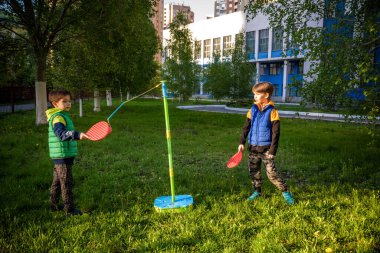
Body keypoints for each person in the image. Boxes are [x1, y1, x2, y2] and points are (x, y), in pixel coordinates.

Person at [238, 82, 294, 205]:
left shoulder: (272, 111)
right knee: (254, 172)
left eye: (257, 94)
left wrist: (273, 151)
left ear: (266, 95)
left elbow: (276, 133)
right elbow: (246, 127)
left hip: (266, 149)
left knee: (272, 173)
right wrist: (242, 142)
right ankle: (257, 192)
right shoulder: (252, 109)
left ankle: (286, 192)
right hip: (253, 147)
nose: (255, 97)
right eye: (254, 94)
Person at [45, 89, 88, 215]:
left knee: (57, 182)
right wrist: (77, 134)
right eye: (65, 101)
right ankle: (69, 210)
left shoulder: (61, 115)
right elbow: (61, 134)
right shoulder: (58, 117)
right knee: (66, 183)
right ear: (55, 104)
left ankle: (53, 205)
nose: (68, 104)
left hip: (60, 155)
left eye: (69, 101)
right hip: (62, 156)